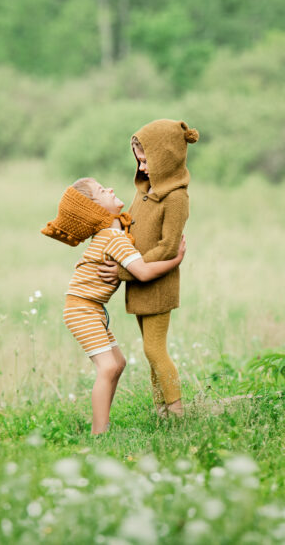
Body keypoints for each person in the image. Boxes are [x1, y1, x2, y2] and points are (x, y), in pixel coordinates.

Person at [42, 177, 187, 435]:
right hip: (82, 308)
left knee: (117, 364)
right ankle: (100, 433)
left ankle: (102, 423)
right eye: (101, 191)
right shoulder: (113, 238)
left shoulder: (114, 234)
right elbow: (142, 272)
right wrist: (175, 259)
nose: (109, 188)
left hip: (90, 308)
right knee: (107, 367)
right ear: (96, 209)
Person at [99, 119, 198, 418]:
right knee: (149, 350)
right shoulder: (145, 191)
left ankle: (177, 411)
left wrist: (126, 270)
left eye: (147, 161)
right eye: (139, 161)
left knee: (155, 350)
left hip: (156, 282)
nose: (141, 168)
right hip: (140, 282)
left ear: (165, 158)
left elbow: (168, 247)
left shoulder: (176, 197)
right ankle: (162, 411)